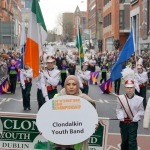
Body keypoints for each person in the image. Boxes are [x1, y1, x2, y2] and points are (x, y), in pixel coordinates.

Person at [52, 75, 96, 150]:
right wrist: (44, 128)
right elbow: (50, 116)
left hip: (76, 141)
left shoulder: (84, 99)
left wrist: (92, 125)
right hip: (59, 140)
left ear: (78, 85)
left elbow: (89, 118)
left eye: (74, 84)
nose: (71, 87)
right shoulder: (57, 97)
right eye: (68, 84)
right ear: (65, 85)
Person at [116, 67, 144, 150]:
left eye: (131, 88)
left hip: (133, 123)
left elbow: (141, 110)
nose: (129, 89)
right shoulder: (120, 98)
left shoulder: (139, 99)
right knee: (124, 141)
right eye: (128, 88)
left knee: (132, 141)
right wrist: (121, 116)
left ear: (133, 88)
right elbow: (118, 109)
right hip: (123, 123)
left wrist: (136, 118)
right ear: (125, 88)